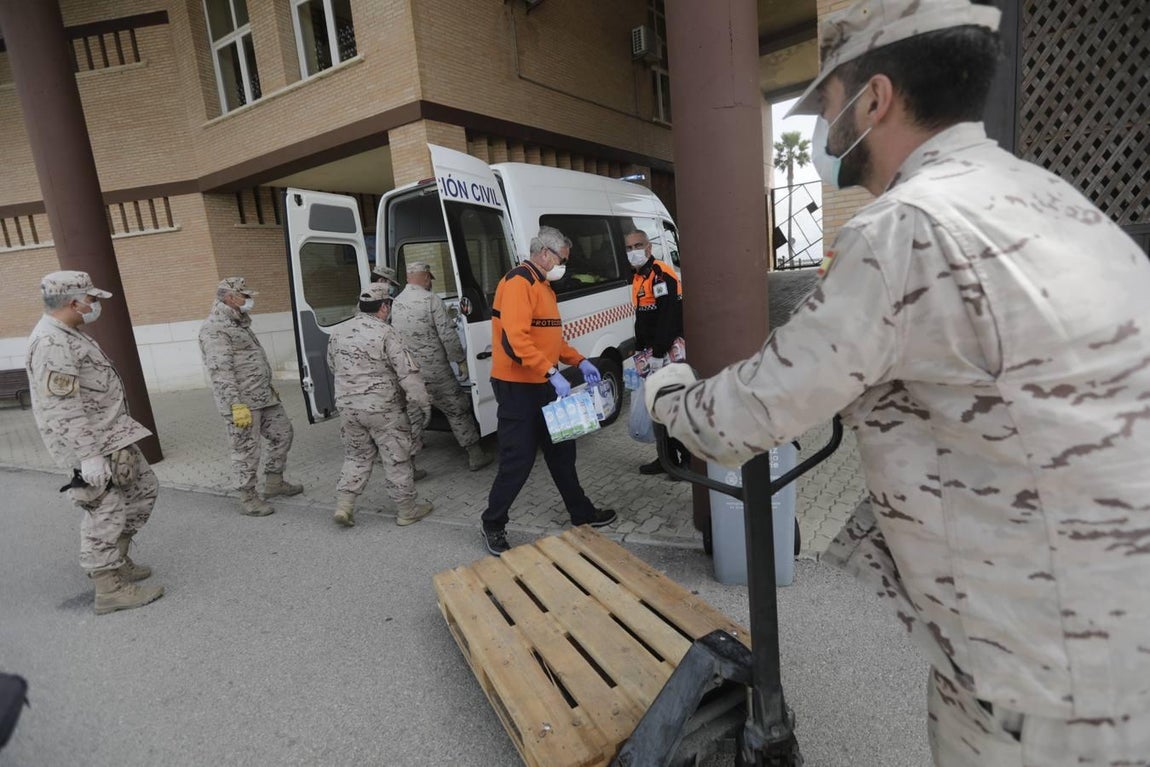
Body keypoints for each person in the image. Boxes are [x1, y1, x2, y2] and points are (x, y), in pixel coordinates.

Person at [646, 1, 1150, 764]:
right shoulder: (1057, 201)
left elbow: (751, 410)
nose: (824, 130)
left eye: (827, 103)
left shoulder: (908, 227)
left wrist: (664, 397)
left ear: (874, 98)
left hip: (1035, 676)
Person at [25, 271, 164, 615]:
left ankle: (118, 559)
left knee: (143, 489)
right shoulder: (52, 343)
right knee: (105, 510)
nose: (94, 305)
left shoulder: (70, 333)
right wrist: (89, 456)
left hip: (110, 436)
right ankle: (109, 588)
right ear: (74, 303)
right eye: (91, 299)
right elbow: (62, 406)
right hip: (90, 445)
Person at [480, 226, 617, 556]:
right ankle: (493, 523)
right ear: (544, 253)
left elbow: (550, 338)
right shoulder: (518, 283)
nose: (563, 266)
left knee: (562, 452)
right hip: (519, 387)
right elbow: (516, 341)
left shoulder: (543, 287)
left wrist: (579, 360)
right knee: (519, 459)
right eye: (561, 259)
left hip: (544, 383)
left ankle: (582, 513)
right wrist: (551, 372)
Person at [326, 282, 434, 528]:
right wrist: (423, 402)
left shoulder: (338, 331)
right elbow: (407, 373)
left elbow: (333, 366)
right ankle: (407, 511)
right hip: (383, 409)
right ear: (384, 307)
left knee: (356, 455)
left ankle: (344, 506)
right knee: (397, 458)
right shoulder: (386, 332)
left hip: (348, 407)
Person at [198, 277, 303, 516]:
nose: (249, 300)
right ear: (229, 297)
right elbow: (220, 371)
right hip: (242, 403)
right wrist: (236, 405)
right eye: (245, 296)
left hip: (263, 396)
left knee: (283, 433)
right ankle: (248, 497)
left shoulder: (239, 322)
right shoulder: (215, 328)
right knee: (246, 449)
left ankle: (274, 482)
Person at [392, 261, 493, 472]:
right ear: (426, 277)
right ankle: (475, 455)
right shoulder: (431, 300)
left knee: (414, 416)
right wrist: (461, 361)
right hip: (435, 370)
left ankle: (409, 468)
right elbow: (447, 335)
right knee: (456, 409)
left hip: (409, 373)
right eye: (429, 278)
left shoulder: (397, 302)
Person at [624, 229, 686, 476]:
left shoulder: (660, 274)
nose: (633, 252)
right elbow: (644, 318)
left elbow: (669, 317)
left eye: (637, 246)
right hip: (650, 353)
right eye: (628, 248)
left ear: (648, 247)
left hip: (665, 353)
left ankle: (688, 460)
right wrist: (639, 352)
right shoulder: (639, 276)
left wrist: (659, 353)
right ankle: (666, 458)